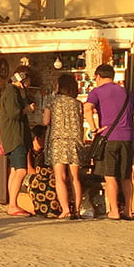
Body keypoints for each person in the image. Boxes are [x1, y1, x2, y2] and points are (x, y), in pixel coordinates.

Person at [84, 64, 134, 220]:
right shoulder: (127, 93)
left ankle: (114, 211)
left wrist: (94, 128)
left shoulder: (97, 92)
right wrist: (133, 132)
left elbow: (87, 109)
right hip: (126, 139)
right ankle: (128, 211)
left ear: (98, 76)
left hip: (109, 138)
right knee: (126, 176)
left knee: (110, 176)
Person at [43, 74, 85, 219]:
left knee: (60, 177)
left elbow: (45, 121)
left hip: (58, 141)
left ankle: (65, 209)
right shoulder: (77, 103)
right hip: (75, 141)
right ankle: (77, 210)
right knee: (75, 177)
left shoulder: (52, 101)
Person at [0, 64, 35, 216]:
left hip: (13, 136)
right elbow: (14, 113)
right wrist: (27, 109)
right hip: (16, 137)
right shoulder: (11, 92)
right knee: (21, 171)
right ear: (22, 78)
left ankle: (12, 203)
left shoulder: (11, 91)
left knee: (14, 171)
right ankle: (13, 205)